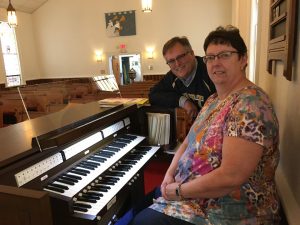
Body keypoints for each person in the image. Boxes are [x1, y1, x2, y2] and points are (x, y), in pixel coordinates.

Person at [130, 25, 280, 225]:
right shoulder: (213, 100)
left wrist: (178, 190)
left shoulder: (250, 104)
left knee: (141, 222)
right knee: (136, 208)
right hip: (192, 193)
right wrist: (169, 173)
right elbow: (188, 142)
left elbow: (231, 176)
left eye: (224, 55)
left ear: (243, 59)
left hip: (225, 210)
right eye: (210, 57)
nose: (215, 63)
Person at [148, 36, 215, 120]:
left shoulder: (210, 70)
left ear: (192, 53)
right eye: (171, 61)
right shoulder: (172, 76)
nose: (177, 64)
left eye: (180, 57)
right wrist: (184, 102)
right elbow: (153, 95)